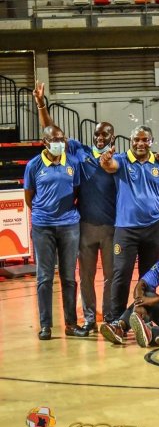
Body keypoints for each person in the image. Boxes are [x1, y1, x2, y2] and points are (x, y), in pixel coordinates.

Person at [34, 82, 116, 330]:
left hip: (112, 227)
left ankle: (110, 317)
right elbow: (52, 132)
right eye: (97, 133)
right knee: (87, 276)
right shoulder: (79, 151)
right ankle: (90, 318)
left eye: (105, 134)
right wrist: (41, 104)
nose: (100, 137)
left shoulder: (119, 160)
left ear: (113, 137)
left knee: (112, 276)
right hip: (85, 227)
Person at [99, 126, 159, 329]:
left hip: (153, 229)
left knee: (148, 278)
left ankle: (144, 317)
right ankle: (115, 319)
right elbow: (109, 165)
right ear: (131, 141)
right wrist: (106, 159)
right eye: (136, 140)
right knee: (121, 274)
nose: (140, 143)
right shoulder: (123, 160)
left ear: (151, 142)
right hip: (126, 230)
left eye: (145, 140)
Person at [24, 125, 87, 340]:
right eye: (55, 139)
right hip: (43, 227)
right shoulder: (33, 166)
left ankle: (71, 323)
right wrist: (45, 213)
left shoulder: (73, 163)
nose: (60, 142)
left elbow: (76, 190)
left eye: (62, 138)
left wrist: (64, 213)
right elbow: (29, 197)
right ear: (45, 142)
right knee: (44, 277)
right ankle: (45, 325)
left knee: (69, 276)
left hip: (69, 225)